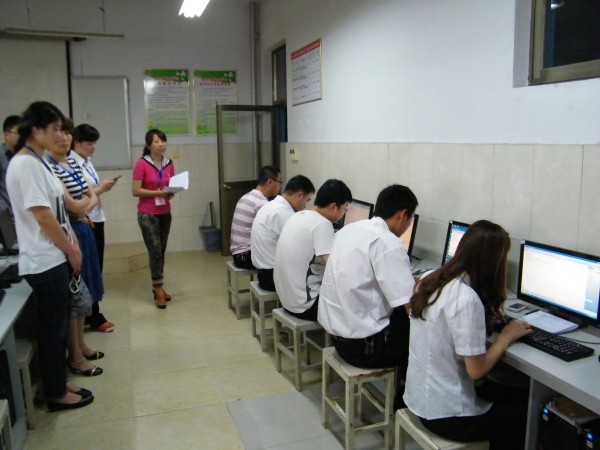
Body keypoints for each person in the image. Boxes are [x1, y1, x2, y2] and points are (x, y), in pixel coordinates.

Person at [404, 220, 532, 450]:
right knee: (528, 412)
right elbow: (477, 370)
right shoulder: (466, 298)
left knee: (517, 393)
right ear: (493, 261)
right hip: (450, 417)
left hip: (420, 399)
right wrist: (505, 338)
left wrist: (483, 323)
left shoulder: (431, 279)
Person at [7, 101, 93, 411]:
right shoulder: (25, 164)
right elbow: (43, 217)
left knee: (57, 326)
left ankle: (59, 381)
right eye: (55, 129)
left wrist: (73, 243)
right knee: (53, 329)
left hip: (55, 255)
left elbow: (60, 210)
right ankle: (56, 393)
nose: (61, 135)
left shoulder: (39, 160)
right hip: (44, 260)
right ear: (36, 129)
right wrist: (70, 250)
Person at [317, 184, 418, 409]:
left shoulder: (349, 230)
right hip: (363, 350)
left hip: (337, 336)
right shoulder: (388, 243)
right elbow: (410, 305)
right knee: (419, 330)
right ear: (403, 215)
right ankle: (405, 400)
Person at [47, 118, 104, 377]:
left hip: (83, 229)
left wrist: (85, 203)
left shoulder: (71, 162)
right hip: (70, 232)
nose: (64, 137)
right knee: (75, 294)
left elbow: (90, 195)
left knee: (84, 292)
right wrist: (85, 204)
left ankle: (81, 344)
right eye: (58, 132)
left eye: (67, 132)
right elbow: (73, 205)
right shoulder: (50, 167)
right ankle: (76, 356)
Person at [273, 179, 352, 320]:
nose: (344, 214)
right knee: (354, 298)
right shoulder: (322, 224)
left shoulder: (297, 216)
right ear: (333, 206)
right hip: (305, 306)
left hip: (286, 300)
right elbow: (334, 268)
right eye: (344, 210)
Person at [70, 123, 117, 332]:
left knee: (97, 267)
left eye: (95, 143)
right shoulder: (72, 163)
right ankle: (93, 315)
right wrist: (101, 189)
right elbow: (79, 197)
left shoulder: (87, 161)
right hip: (84, 220)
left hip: (96, 217)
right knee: (89, 269)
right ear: (76, 142)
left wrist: (100, 189)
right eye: (89, 143)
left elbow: (90, 192)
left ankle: (91, 312)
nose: (93, 147)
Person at [132, 129, 176, 309]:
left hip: (165, 212)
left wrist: (171, 192)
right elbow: (135, 191)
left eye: (163, 141)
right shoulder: (141, 164)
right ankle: (158, 290)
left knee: (161, 251)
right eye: (156, 141)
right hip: (147, 213)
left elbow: (170, 186)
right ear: (148, 145)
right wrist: (158, 193)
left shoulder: (169, 163)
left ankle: (159, 285)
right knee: (155, 251)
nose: (161, 144)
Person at [250, 174, 315, 291]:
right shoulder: (283, 213)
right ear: (300, 195)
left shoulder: (271, 205)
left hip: (263, 272)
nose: (305, 205)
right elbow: (301, 248)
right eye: (307, 200)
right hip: (272, 277)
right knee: (320, 275)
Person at [230, 165, 281, 270]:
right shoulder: (260, 202)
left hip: (238, 253)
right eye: (280, 182)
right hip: (246, 256)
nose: (280, 186)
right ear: (270, 182)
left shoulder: (247, 196)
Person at [0, 115, 21, 222]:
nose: (21, 137)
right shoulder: (1, 156)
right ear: (6, 134)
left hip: (21, 217)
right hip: (7, 218)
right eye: (18, 133)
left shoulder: (21, 157)